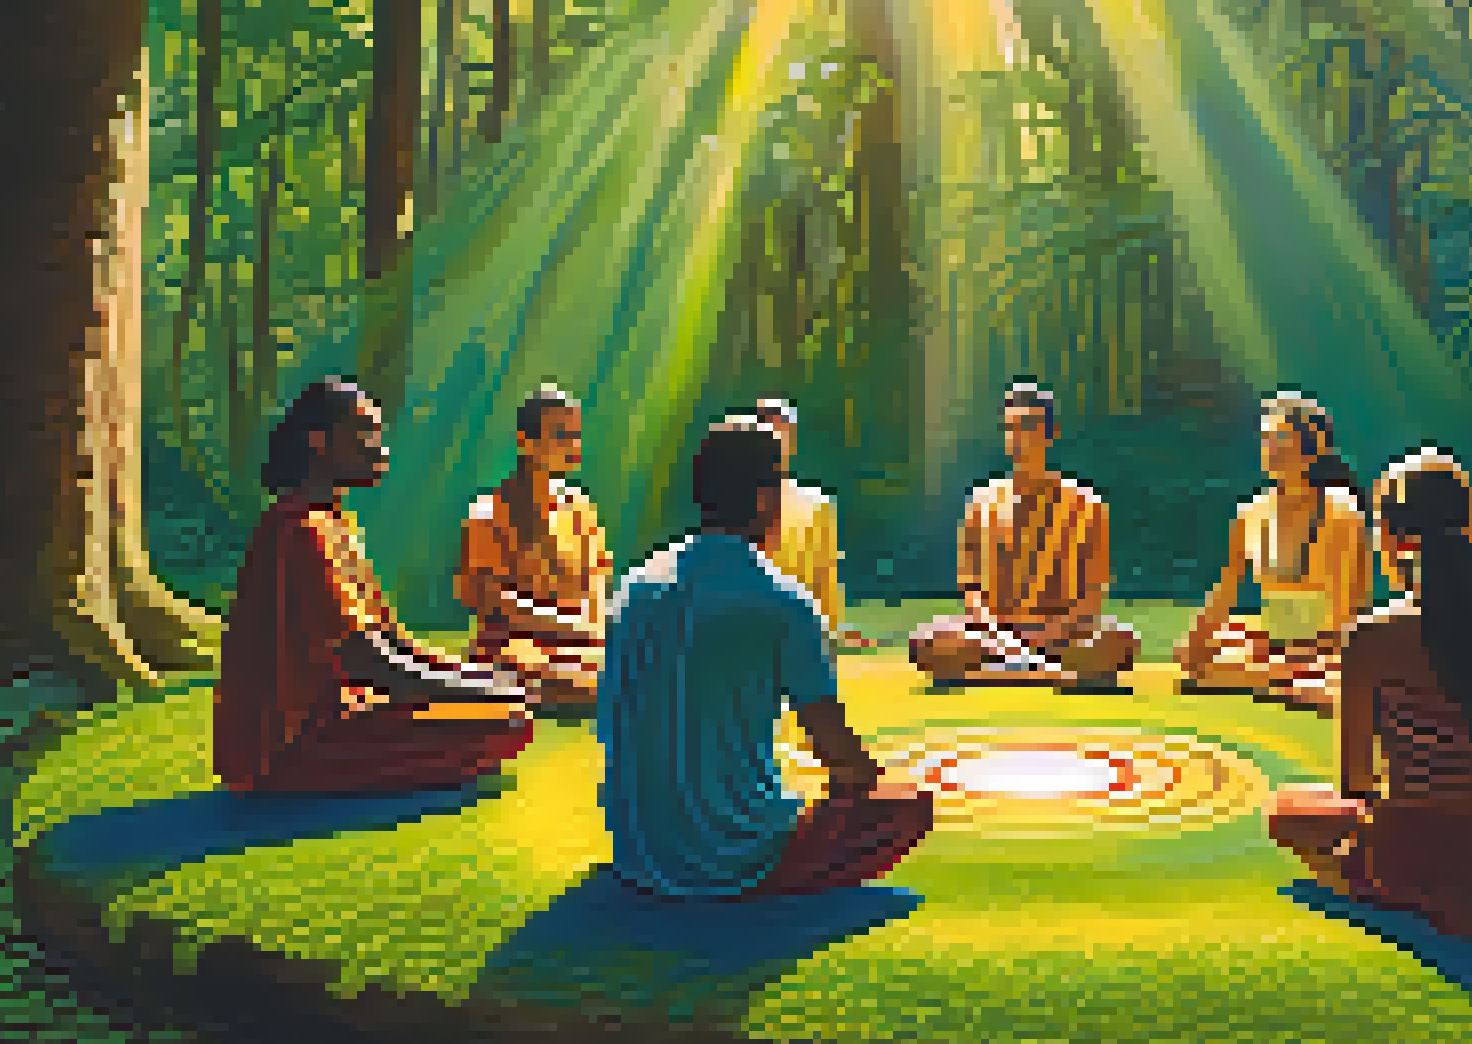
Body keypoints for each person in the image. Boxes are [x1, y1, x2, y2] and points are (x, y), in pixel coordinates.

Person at [597, 420, 933, 900]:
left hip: (635, 851)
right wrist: (880, 775)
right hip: (729, 857)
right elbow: (842, 760)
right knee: (908, 805)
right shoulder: (782, 600)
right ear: (763, 499)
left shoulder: (634, 587)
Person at [1267, 449, 1472, 964]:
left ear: (1395, 540)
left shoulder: (1373, 638)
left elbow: (1356, 785)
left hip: (1412, 844)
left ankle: (1431, 898)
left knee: (1287, 812)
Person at [213, 378, 534, 794]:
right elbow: (367, 662)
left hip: (346, 711)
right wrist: (477, 690)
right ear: (319, 442)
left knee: (504, 700)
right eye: (364, 433)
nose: (380, 447)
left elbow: (391, 643)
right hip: (293, 742)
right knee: (507, 720)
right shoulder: (299, 529)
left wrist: (476, 676)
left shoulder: (335, 524)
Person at [909, 382, 1142, 688]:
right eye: (1012, 428)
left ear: (1050, 433)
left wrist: (1045, 635)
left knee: (1121, 641)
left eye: (1028, 427)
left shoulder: (1088, 504)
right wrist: (1001, 638)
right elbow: (972, 593)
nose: (1019, 438)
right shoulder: (981, 502)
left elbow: (1091, 599)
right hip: (993, 638)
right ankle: (1041, 672)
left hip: (1062, 637)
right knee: (927, 640)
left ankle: (1008, 672)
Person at [1175, 393, 1372, 714]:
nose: (1273, 449)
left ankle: (1280, 681)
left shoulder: (1345, 512)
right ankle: (1278, 681)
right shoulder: (1250, 513)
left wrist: (1293, 651)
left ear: (1312, 449)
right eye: (1267, 439)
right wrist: (1197, 645)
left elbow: (1348, 615)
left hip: (1327, 650)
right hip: (1272, 645)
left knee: (1334, 677)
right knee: (1205, 661)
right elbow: (1225, 592)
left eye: (1283, 439)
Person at [455, 385, 615, 713]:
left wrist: (592, 629)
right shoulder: (489, 513)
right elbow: (493, 602)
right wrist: (572, 626)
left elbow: (596, 587)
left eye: (575, 435)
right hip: (516, 647)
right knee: (526, 664)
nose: (573, 446)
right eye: (560, 435)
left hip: (579, 646)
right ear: (525, 442)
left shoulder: (580, 509)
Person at [748, 398, 878, 651]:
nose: (776, 438)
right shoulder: (735, 501)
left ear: (792, 441)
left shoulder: (817, 504)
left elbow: (826, 574)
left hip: (801, 632)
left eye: (783, 431)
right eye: (768, 430)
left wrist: (833, 630)